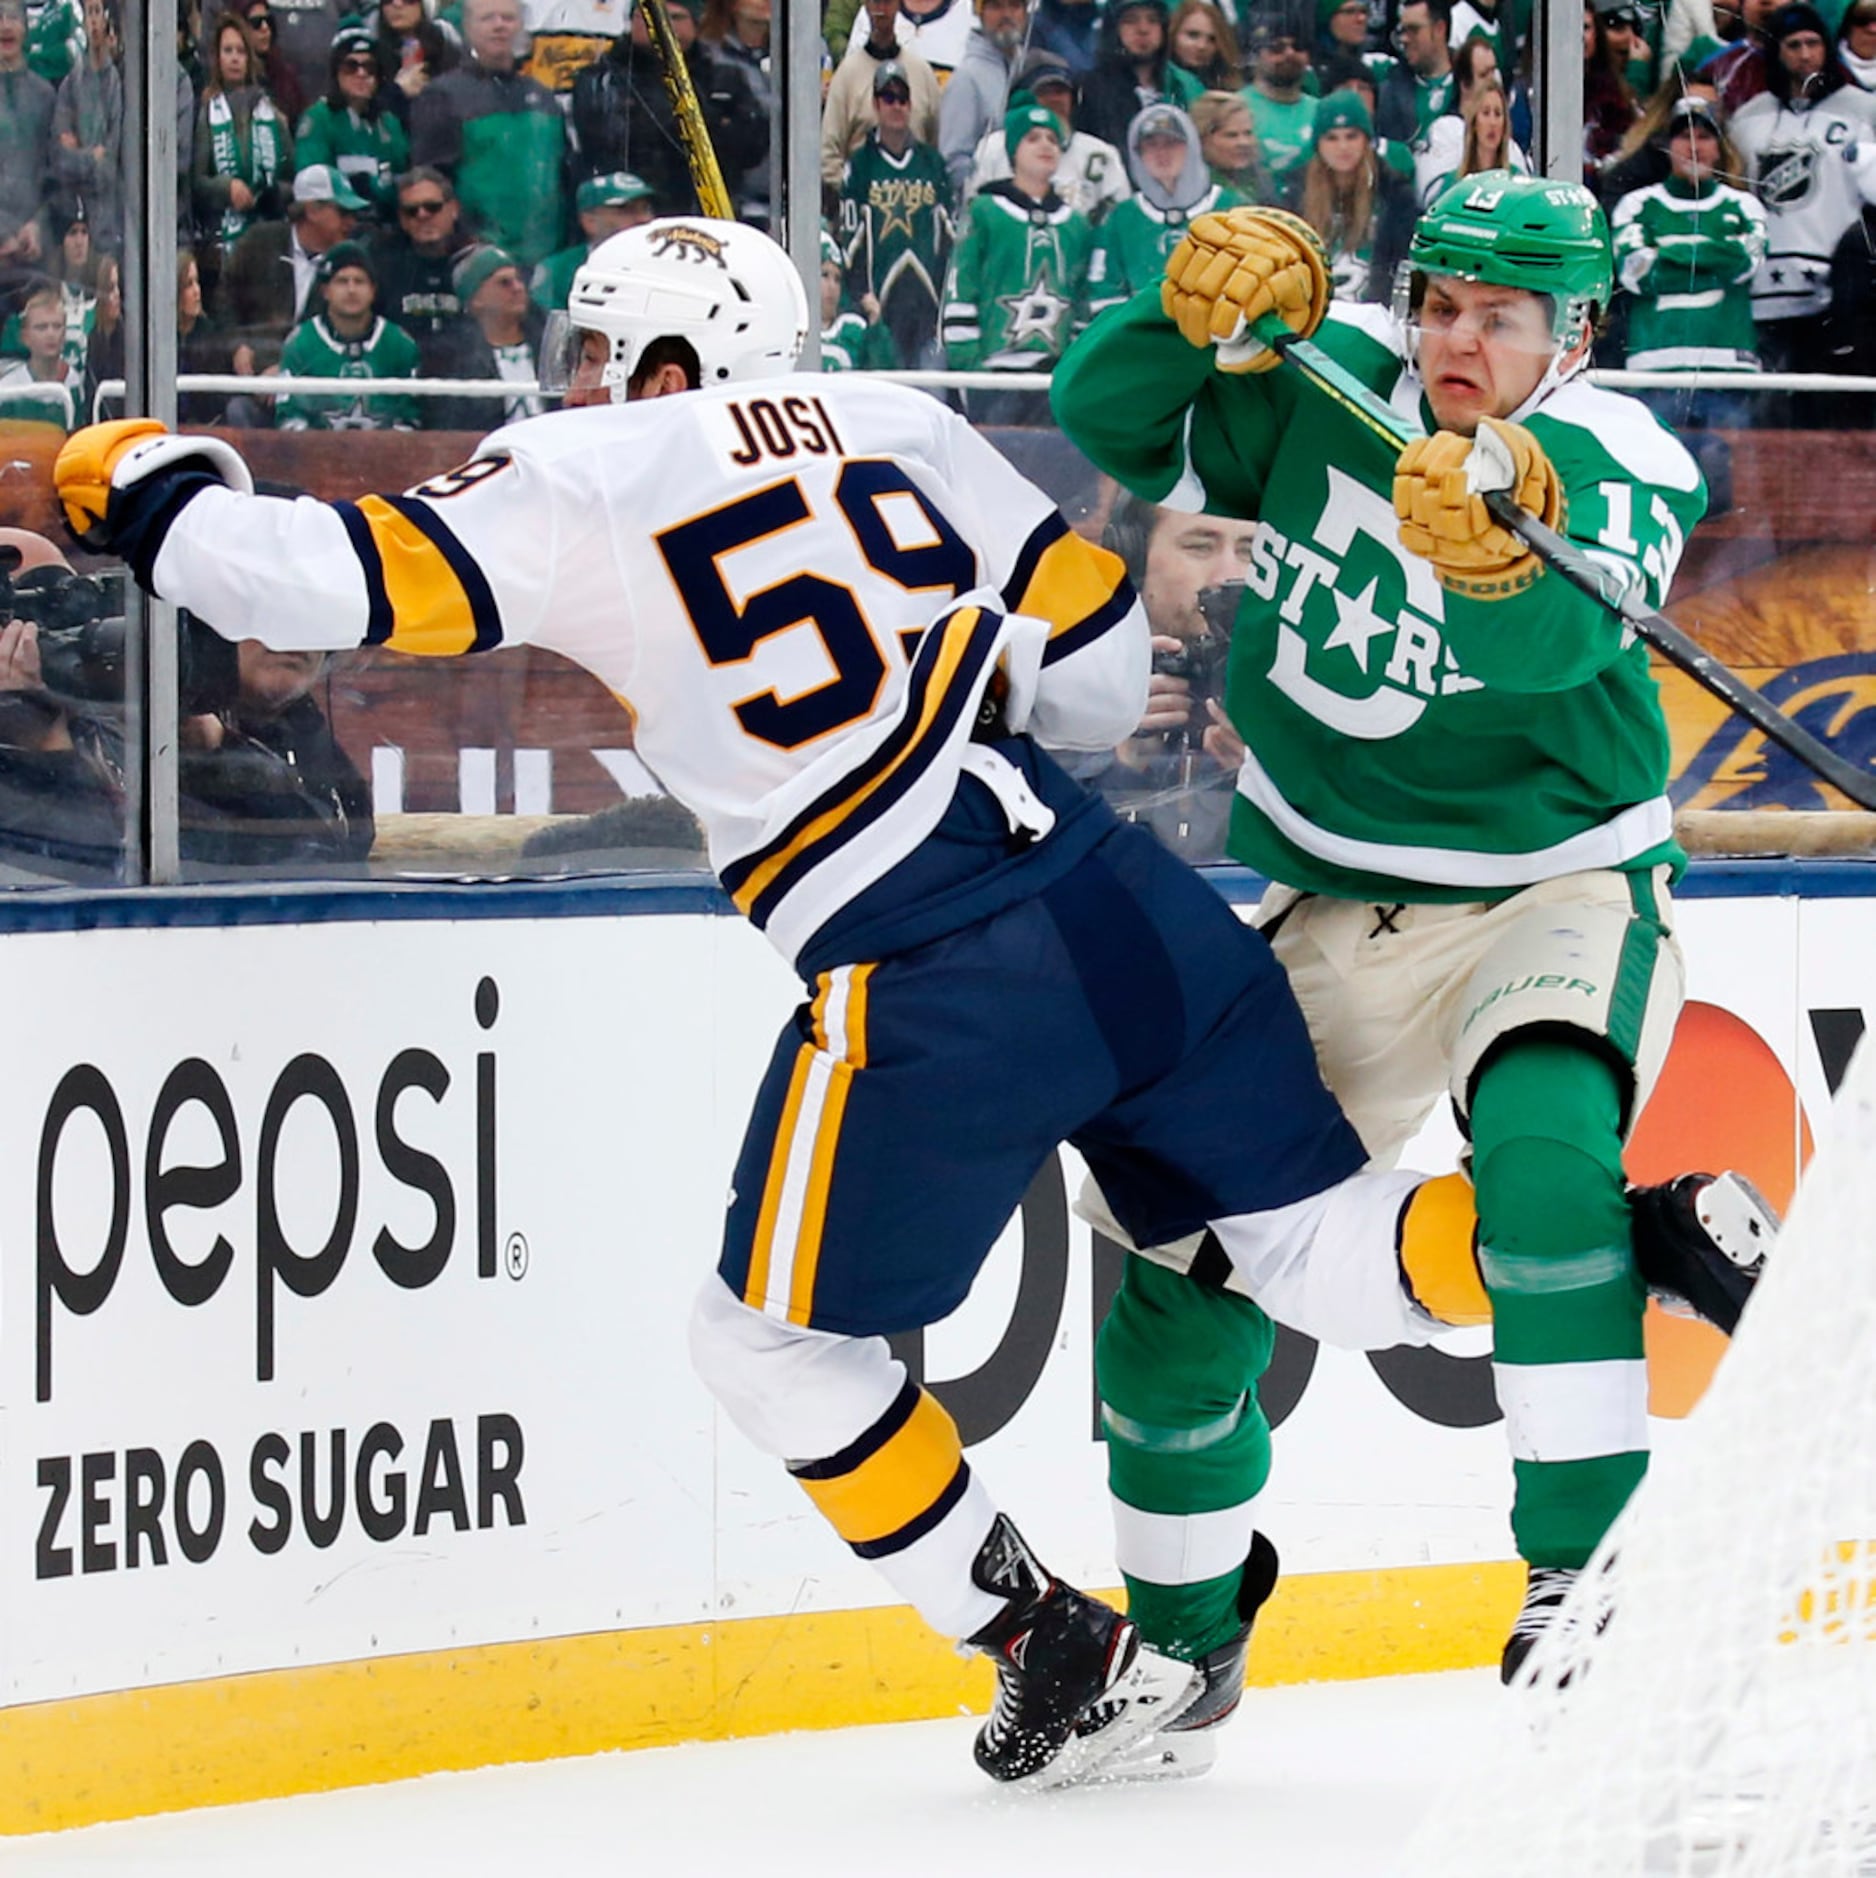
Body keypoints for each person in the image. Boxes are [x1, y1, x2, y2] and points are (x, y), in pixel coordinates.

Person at [55, 212, 1767, 1790]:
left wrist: (130, 468)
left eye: (601, 348)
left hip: (921, 958)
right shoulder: (896, 417)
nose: (576, 381)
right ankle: (1625, 1229)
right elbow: (1096, 686)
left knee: (765, 1339)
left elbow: (291, 585)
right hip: (1123, 899)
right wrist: (955, 653)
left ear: (665, 364)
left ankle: (1033, 1627)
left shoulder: (579, 467)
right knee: (1316, 1249)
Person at [1053, 174, 1771, 1722]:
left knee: (1541, 1155)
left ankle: (1583, 1572)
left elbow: (1557, 643)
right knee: (1178, 1286)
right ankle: (1181, 1639)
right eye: (1439, 304)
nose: (1458, 340)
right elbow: (1111, 419)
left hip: (1554, 886)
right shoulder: (1335, 383)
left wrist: (1500, 544)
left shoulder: (1614, 452)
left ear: (1570, 333)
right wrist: (1181, 313)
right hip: (1338, 905)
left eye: (1499, 318)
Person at [1729, 1, 1876, 383]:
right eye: (1793, 45)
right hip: (1766, 290)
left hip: (1838, 291)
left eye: (1813, 43)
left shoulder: (1864, 110)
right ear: (1776, 51)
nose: (1805, 55)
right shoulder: (1748, 119)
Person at [1611, 93, 1765, 424]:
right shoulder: (1636, 205)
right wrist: (1714, 252)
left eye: (1705, 136)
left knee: (1724, 471)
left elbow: (1745, 263)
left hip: (1728, 370)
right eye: (1684, 136)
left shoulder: (1744, 206)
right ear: (1667, 144)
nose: (1695, 146)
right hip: (1654, 369)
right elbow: (1636, 274)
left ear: (1720, 146)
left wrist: (1667, 252)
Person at [941, 100, 1096, 420]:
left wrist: (1077, 367)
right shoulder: (984, 211)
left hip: (1054, 378)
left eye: (1053, 139)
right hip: (995, 372)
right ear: (1013, 150)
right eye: (1033, 138)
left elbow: (1082, 299)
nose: (1045, 146)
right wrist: (970, 367)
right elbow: (961, 284)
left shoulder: (1077, 223)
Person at [566, 0, 766, 216]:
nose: (662, 25)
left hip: (708, 209)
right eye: (648, 17)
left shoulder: (725, 78)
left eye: (676, 18)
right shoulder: (601, 79)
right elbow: (607, 145)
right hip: (627, 212)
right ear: (631, 22)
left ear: (695, 24)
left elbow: (751, 146)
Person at [410, 0, 565, 269]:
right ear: (468, 27)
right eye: (487, 18)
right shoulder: (443, 96)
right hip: (479, 260)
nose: (499, 26)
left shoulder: (543, 98)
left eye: (507, 18)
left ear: (520, 25)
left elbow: (562, 176)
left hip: (545, 258)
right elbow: (430, 181)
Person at [838, 61, 954, 367]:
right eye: (888, 98)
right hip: (881, 306)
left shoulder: (932, 163)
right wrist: (862, 295)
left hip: (927, 307)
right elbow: (850, 238)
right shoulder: (860, 165)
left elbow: (949, 237)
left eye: (902, 99)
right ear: (876, 104)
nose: (896, 106)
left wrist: (945, 300)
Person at [1089, 102, 1242, 315]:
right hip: (1144, 338)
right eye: (1151, 145)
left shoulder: (1231, 208)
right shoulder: (1121, 218)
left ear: (1191, 147)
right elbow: (1105, 291)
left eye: (1171, 143)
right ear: (1137, 154)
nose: (1161, 153)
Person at [221, 162, 367, 362]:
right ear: (313, 210)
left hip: (314, 380)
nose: (351, 222)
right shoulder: (259, 243)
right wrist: (236, 346)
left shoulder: (350, 260)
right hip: (251, 372)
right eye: (343, 213)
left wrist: (286, 371)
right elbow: (223, 300)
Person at [963, 50, 1132, 220]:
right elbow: (973, 215)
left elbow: (1120, 224)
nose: (1054, 100)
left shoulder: (1100, 155)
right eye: (1043, 92)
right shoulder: (993, 149)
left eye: (1060, 91)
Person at [275, 239, 422, 429]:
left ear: (373, 290)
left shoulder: (400, 345)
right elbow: (288, 416)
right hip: (316, 455)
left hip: (386, 454)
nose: (351, 290)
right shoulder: (300, 343)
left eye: (359, 281)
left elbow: (410, 416)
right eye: (342, 281)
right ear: (325, 291)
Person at [1286, 88, 1414, 299]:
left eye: (1351, 136)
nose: (1343, 147)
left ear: (1366, 139)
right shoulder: (1293, 193)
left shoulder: (1395, 193)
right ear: (1318, 143)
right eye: (1332, 138)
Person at [191, 9, 293, 260]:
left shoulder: (271, 112)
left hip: (270, 234)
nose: (235, 58)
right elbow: (197, 182)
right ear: (217, 57)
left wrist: (272, 193)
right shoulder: (207, 113)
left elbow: (292, 178)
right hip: (224, 238)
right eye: (228, 51)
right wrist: (227, 189)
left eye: (240, 51)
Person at [293, 26, 410, 220]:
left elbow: (403, 175)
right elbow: (310, 184)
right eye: (351, 66)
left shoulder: (389, 122)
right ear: (336, 72)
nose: (361, 74)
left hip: (384, 222)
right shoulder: (318, 119)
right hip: (337, 224)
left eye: (370, 67)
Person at [425, 240, 544, 428]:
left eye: (518, 280)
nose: (518, 288)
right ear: (475, 300)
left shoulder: (549, 344)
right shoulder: (452, 359)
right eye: (504, 283)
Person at [821, 0, 942, 185]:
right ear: (866, 5)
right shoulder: (847, 75)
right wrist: (853, 191)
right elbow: (828, 153)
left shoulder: (921, 73)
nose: (881, 9)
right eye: (876, 2)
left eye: (887, 2)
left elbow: (936, 146)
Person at [370, 162, 467, 357]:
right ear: (402, 220)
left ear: (454, 209)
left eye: (432, 207)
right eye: (411, 211)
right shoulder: (381, 268)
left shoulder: (476, 262)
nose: (422, 215)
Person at [936, 0, 1031, 198]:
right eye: (996, 6)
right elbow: (953, 159)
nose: (1006, 15)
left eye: (1014, 6)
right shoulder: (967, 79)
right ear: (980, 13)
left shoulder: (1033, 67)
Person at [50, 0, 122, 254]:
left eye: (97, 12)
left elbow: (111, 163)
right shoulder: (70, 86)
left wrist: (83, 152)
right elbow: (60, 159)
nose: (93, 20)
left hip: (113, 222)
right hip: (78, 222)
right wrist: (92, 156)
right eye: (88, 12)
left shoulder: (120, 83)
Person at [1078, 0, 1196, 153]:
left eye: (1153, 20)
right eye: (1130, 21)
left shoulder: (1184, 85)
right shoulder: (1091, 88)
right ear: (1113, 29)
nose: (1143, 29)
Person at [530, 170, 654, 312]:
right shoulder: (557, 271)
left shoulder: (667, 264)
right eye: (626, 210)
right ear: (590, 221)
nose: (644, 219)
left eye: (646, 208)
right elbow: (546, 327)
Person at [0, 0, 58, 268]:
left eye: (13, 17)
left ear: (25, 27)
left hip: (33, 250)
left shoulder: (45, 96)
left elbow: (56, 177)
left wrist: (37, 226)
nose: (5, 26)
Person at [1239, 5, 1318, 190]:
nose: (1289, 53)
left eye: (1298, 47)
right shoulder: (1235, 109)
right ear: (1256, 55)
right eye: (1276, 48)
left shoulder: (1322, 111)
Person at [0, 274, 77, 424]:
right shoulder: (9, 389)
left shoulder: (73, 382)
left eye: (57, 326)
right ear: (25, 337)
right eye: (41, 327)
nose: (51, 334)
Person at [1190, 85, 1270, 196]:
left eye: (1248, 133)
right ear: (1202, 139)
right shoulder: (1190, 188)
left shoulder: (1261, 181)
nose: (1244, 143)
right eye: (1231, 135)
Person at [1167, 0, 1241, 90]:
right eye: (1193, 35)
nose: (1202, 46)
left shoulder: (1229, 92)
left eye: (1212, 39)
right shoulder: (1155, 84)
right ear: (1172, 33)